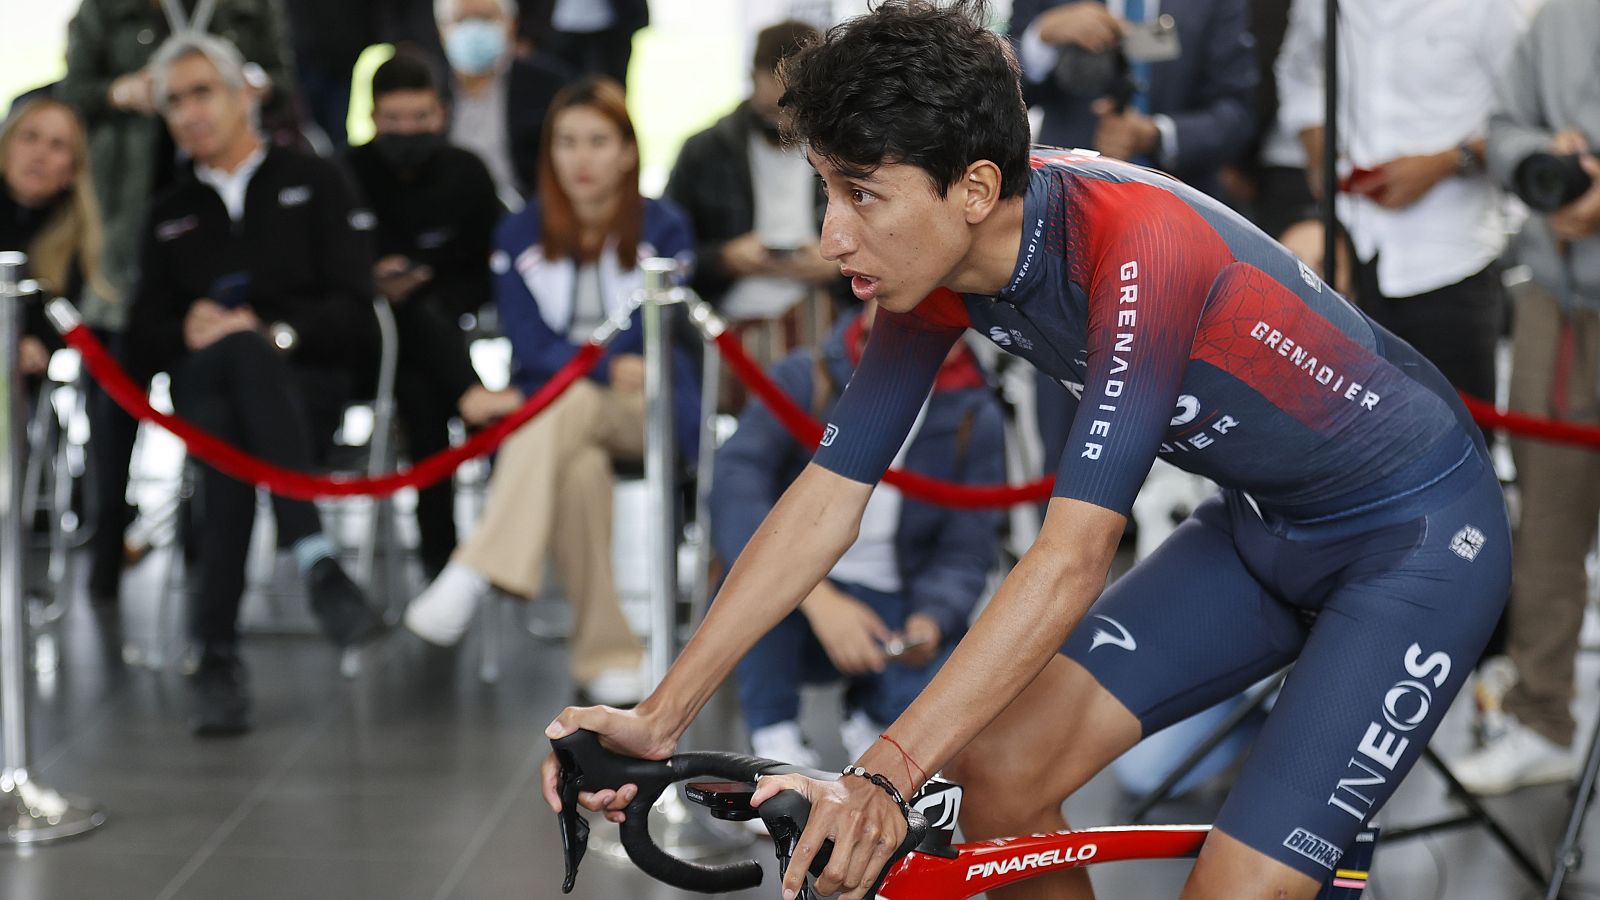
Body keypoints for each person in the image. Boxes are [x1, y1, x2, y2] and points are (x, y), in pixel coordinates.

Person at [540, 4, 1510, 899]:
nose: (831, 235)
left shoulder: (1139, 246)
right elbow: (826, 496)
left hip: (1414, 544)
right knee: (997, 779)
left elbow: (1071, 556)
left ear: (972, 189)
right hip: (1266, 526)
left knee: (1235, 888)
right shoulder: (928, 270)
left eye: (862, 195)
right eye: (825, 190)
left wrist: (883, 775)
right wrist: (659, 714)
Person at [403, 77, 696, 708]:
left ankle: (476, 565)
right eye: (566, 142)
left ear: (626, 151)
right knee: (580, 469)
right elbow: (528, 340)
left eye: (597, 141)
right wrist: (594, 368)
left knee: (568, 405)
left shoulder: (665, 227)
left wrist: (583, 372)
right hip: (565, 412)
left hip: (641, 408)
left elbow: (655, 340)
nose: (581, 159)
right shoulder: (518, 231)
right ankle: (608, 653)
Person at [125, 33, 386, 736]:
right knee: (224, 386)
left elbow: (356, 314)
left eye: (200, 92)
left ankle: (216, 655)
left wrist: (274, 335)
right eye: (173, 102)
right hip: (207, 381)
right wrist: (187, 327)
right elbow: (139, 333)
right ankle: (315, 555)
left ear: (245, 93)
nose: (187, 113)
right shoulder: (169, 210)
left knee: (228, 412)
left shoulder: (316, 179)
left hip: (304, 390)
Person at [58, 0, 295, 605]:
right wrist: (122, 91)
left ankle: (202, 564)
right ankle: (104, 556)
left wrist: (242, 87)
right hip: (126, 223)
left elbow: (284, 79)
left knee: (209, 393)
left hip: (213, 219)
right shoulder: (105, 11)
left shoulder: (251, 8)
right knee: (111, 412)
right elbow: (70, 91)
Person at [711, 301, 1004, 766]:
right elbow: (734, 491)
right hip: (795, 589)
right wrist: (818, 598)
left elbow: (966, 548)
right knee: (755, 598)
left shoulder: (973, 414)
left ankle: (871, 720)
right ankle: (771, 743)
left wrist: (932, 617)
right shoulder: (808, 377)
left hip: (897, 601)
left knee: (927, 738)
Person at [1450, 0, 1600, 796]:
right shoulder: (1560, 20)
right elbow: (1501, 132)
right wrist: (1546, 158)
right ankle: (1543, 719)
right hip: (1560, 302)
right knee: (1547, 525)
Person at [1276, 0, 1525, 405]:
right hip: (1353, 251)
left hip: (1452, 258)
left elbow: (1525, 118)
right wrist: (1315, 143)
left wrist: (1449, 161)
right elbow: (1300, 72)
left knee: (1457, 434)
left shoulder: (1492, 8)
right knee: (1350, 433)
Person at [345, 51, 520, 577]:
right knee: (409, 330)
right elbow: (326, 268)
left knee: (422, 391)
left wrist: (428, 282)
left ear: (441, 114)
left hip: (442, 322)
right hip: (366, 332)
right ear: (373, 118)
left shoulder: (466, 173)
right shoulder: (346, 174)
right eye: (393, 121)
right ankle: (473, 399)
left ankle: (441, 562)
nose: (407, 131)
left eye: (419, 119)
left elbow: (492, 266)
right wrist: (375, 279)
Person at [665, 20, 841, 323]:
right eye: (772, 111)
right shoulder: (705, 152)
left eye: (795, 112)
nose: (784, 124)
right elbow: (666, 254)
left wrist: (837, 267)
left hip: (827, 311)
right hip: (726, 314)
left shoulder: (844, 150)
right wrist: (724, 260)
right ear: (751, 81)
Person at [0, 99, 115, 381]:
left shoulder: (78, 241)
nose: (40, 154)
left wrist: (30, 348)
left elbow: (55, 331)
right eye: (30, 137)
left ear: (72, 169)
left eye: (57, 146)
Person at [439, 0, 572, 205]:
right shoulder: (431, 87)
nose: (473, 29)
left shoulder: (548, 86)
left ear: (510, 24)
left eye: (485, 18)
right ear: (441, 29)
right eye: (462, 19)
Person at [517, 0, 647, 91]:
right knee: (555, 92)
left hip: (609, 31)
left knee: (607, 94)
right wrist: (525, 34)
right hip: (553, 30)